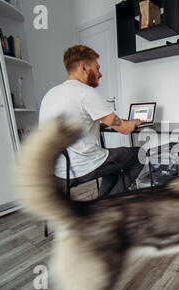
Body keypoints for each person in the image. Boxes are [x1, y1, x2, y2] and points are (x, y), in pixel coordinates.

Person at [39, 45, 144, 197]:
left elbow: (76, 121)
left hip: (58, 169)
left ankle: (104, 201)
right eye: (97, 68)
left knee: (113, 159)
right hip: (83, 165)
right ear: (83, 67)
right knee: (140, 154)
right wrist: (133, 122)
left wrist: (98, 123)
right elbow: (125, 129)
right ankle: (106, 206)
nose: (100, 74)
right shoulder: (85, 93)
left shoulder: (51, 94)